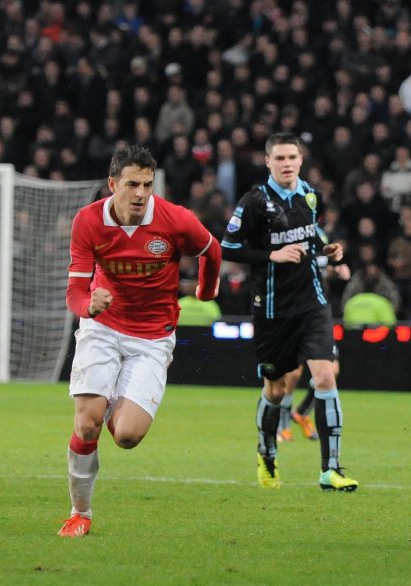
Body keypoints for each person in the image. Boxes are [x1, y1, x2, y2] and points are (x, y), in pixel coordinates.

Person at [59, 145, 222, 537]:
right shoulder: (88, 222)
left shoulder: (175, 220)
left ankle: (112, 397)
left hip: (152, 337)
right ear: (113, 183)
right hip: (103, 328)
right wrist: (89, 304)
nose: (140, 193)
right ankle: (80, 514)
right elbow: (75, 294)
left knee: (128, 437)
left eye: (147, 185)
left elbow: (211, 250)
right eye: (132, 184)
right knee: (87, 426)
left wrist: (205, 290)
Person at [220, 132, 358, 491]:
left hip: (312, 302)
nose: (286, 164)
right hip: (271, 310)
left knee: (326, 376)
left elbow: (313, 235)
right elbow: (227, 249)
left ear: (301, 160)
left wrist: (331, 253)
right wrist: (271, 255)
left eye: (292, 157)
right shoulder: (253, 202)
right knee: (276, 390)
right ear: (267, 161)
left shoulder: (309, 194)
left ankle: (332, 469)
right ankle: (266, 453)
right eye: (279, 158)